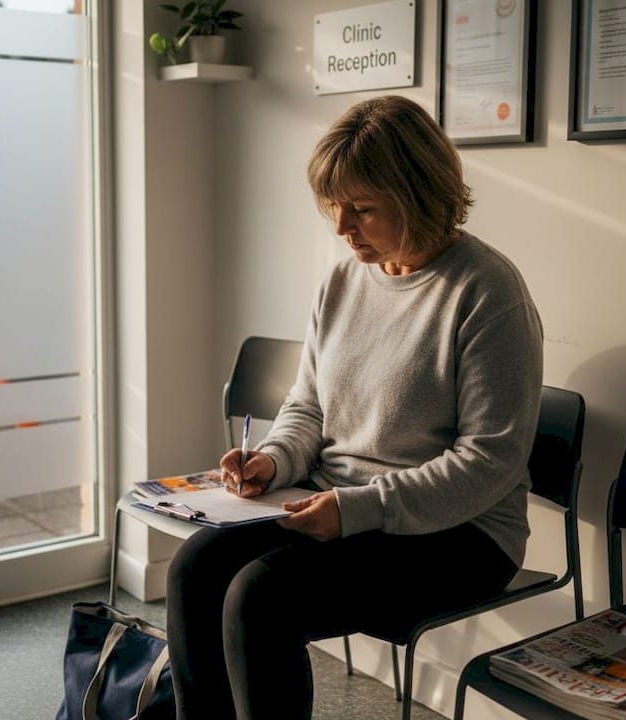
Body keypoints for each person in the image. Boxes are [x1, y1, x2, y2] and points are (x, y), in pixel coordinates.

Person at [166, 95, 544, 719]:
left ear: (420, 195)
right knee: (196, 567)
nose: (342, 228)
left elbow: (489, 462)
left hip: (462, 533)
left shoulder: (487, 292)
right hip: (337, 502)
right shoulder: (342, 281)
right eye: (333, 207)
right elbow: (308, 404)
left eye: (363, 209)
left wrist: (356, 510)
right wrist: (274, 459)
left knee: (261, 596)